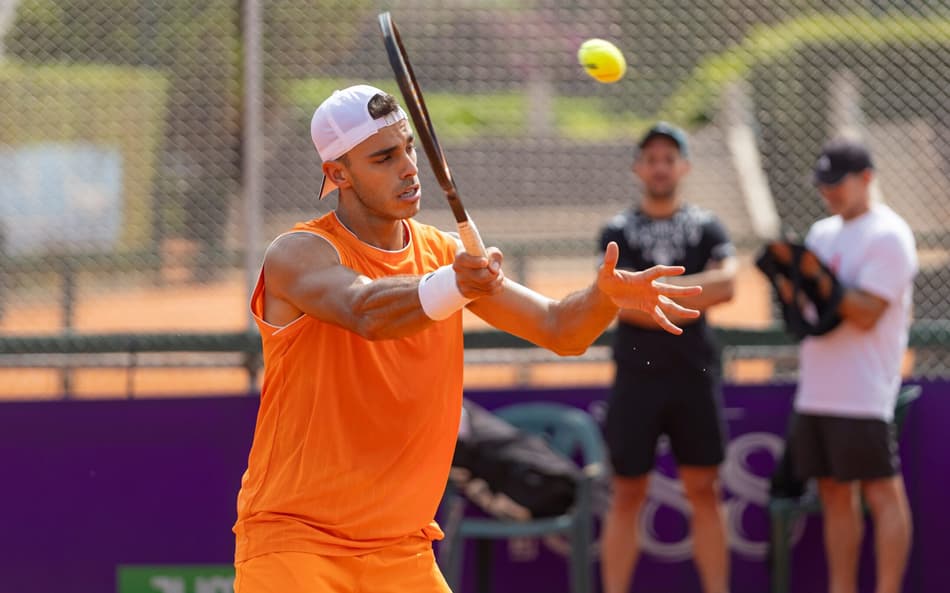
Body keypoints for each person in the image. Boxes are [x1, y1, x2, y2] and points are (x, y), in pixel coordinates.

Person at [231, 85, 702, 593]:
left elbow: (561, 331)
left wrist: (603, 296)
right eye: (384, 158)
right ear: (337, 174)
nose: (409, 167)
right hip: (297, 548)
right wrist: (454, 283)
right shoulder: (298, 253)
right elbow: (363, 309)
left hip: (402, 551)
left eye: (409, 148)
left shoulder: (442, 255)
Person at [598, 122, 738, 593]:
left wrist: (647, 295)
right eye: (651, 159)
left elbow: (729, 285)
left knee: (704, 490)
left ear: (684, 167)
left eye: (668, 158)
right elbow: (613, 298)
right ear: (639, 168)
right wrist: (691, 292)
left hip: (692, 374)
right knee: (626, 494)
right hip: (636, 378)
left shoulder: (707, 225)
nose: (660, 167)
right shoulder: (618, 229)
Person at [788, 138, 917, 593]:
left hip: (864, 392)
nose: (829, 193)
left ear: (867, 178)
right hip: (817, 388)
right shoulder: (820, 233)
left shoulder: (890, 234)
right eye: (823, 186)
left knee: (881, 492)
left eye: (837, 183)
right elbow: (808, 310)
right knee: (834, 494)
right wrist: (789, 289)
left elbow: (866, 314)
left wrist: (818, 289)